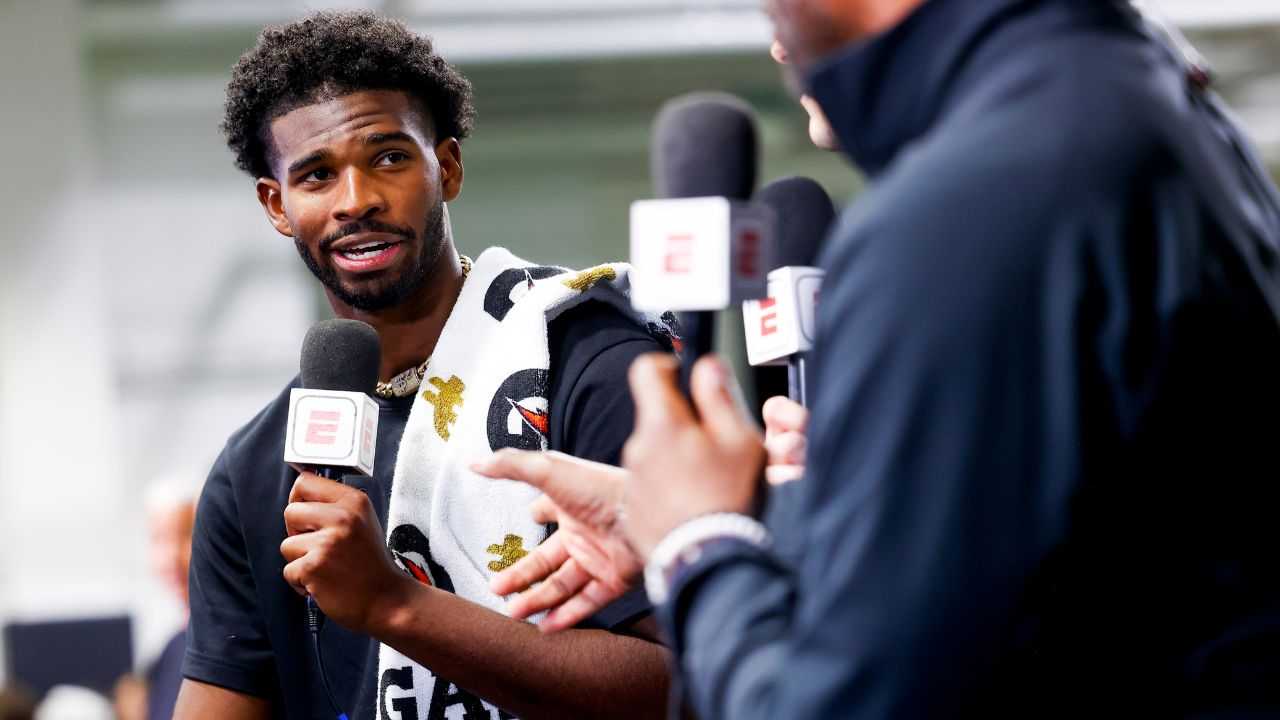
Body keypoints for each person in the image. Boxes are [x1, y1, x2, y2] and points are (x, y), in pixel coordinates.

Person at [473, 0, 1280, 716]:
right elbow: (1081, 536)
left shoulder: (963, 211)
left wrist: (698, 545)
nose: (775, 32)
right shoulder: (1135, 104)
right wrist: (749, 513)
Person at [174, 11, 672, 720]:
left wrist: (395, 604)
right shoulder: (254, 467)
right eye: (317, 175)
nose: (357, 201)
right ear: (276, 205)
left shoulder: (591, 363)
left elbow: (686, 685)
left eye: (388, 158)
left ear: (448, 168)